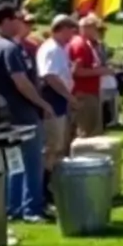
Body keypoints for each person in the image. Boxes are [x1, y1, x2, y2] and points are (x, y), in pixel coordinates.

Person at [0, 3, 54, 222]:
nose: (20, 22)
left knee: (14, 163)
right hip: (22, 113)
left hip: (6, 114)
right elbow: (21, 81)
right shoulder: (9, 48)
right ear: (5, 21)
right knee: (32, 162)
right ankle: (31, 209)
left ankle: (12, 207)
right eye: (16, 18)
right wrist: (42, 103)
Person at [36, 16, 77, 172]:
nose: (72, 34)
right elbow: (50, 77)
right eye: (70, 30)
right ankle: (46, 183)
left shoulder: (59, 48)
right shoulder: (51, 49)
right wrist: (69, 96)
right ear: (62, 29)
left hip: (59, 101)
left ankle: (54, 181)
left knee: (59, 144)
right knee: (52, 145)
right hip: (52, 100)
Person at [69, 16, 109, 139]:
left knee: (92, 130)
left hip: (91, 92)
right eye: (96, 28)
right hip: (84, 93)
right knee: (87, 132)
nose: (98, 32)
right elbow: (77, 71)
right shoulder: (79, 45)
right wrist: (101, 71)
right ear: (86, 28)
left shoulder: (88, 44)